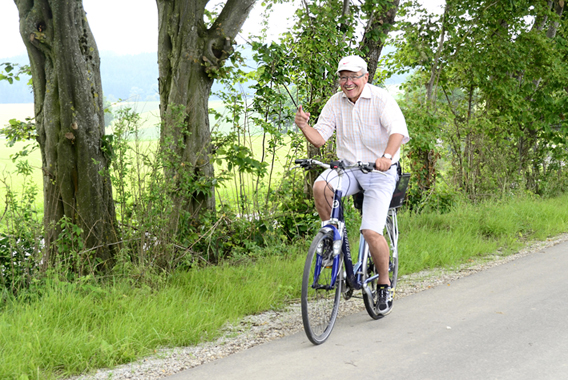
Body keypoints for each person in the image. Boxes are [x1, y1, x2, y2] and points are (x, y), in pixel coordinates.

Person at [294, 55, 409, 314]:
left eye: (354, 76)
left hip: (380, 171)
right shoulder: (335, 102)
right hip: (349, 169)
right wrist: (304, 126)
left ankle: (383, 282)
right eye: (343, 77)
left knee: (370, 231)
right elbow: (320, 139)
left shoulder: (380, 99)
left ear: (365, 77)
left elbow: (397, 132)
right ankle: (328, 239)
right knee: (320, 186)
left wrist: (387, 157)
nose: (348, 82)